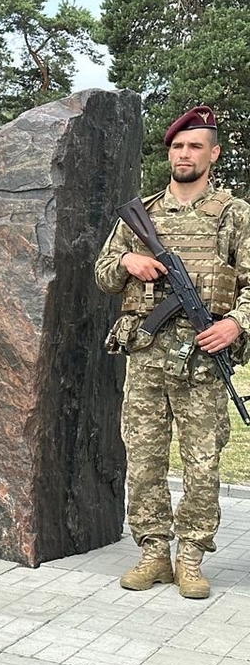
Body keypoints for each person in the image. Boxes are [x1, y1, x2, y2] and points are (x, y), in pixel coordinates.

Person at [95, 105, 250, 599]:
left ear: (214, 154)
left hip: (203, 364)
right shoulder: (143, 215)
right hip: (146, 358)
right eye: (178, 146)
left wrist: (234, 323)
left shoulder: (233, 214)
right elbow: (102, 275)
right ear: (170, 152)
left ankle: (190, 558)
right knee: (142, 460)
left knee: (203, 464)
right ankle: (153, 554)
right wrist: (127, 259)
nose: (185, 154)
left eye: (195, 146)